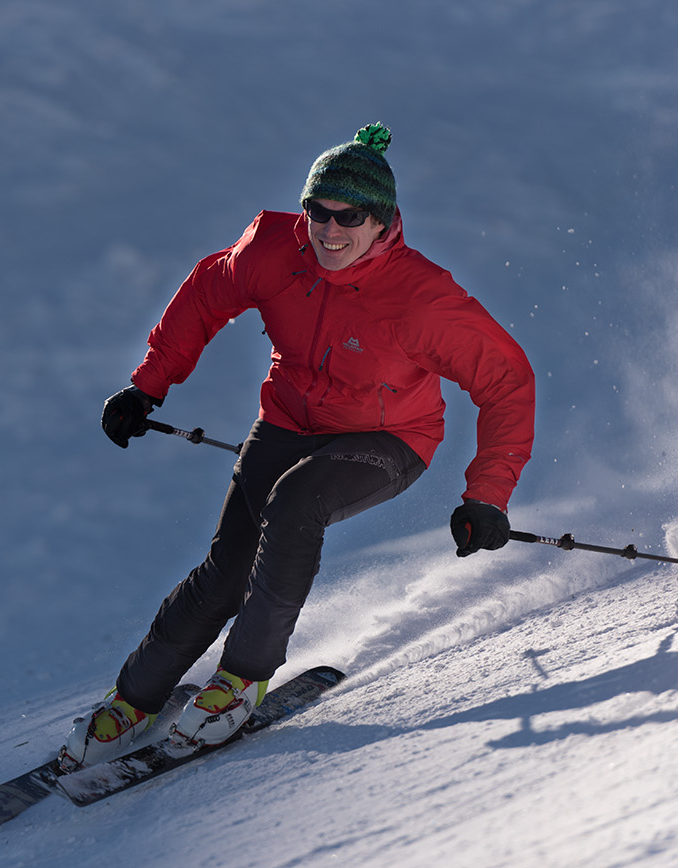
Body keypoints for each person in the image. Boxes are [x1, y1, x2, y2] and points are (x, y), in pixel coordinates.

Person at [59, 123, 535, 770]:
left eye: (351, 216)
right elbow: (205, 294)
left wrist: (488, 495)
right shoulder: (272, 251)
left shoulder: (423, 301)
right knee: (226, 569)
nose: (330, 230)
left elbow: (506, 381)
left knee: (294, 506)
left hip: (388, 438)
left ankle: (241, 679)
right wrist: (147, 388)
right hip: (287, 421)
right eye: (319, 211)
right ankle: (135, 698)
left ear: (384, 222)